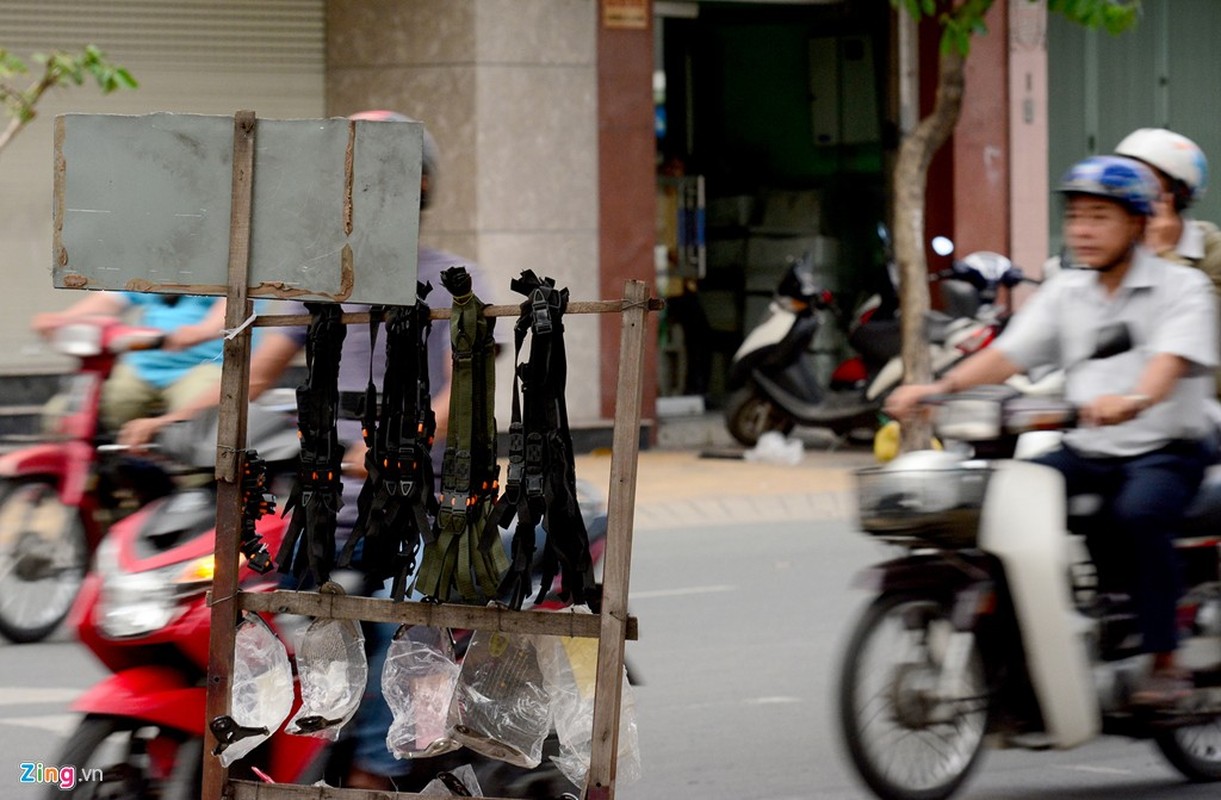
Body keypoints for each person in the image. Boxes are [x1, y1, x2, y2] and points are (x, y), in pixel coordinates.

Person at [120, 110, 489, 790]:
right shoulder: (329, 286)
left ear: (416, 187)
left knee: (385, 636)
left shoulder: (456, 282)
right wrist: (172, 418)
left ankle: (373, 781)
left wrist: (397, 445)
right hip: (328, 513)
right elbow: (254, 374)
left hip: (427, 516)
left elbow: (462, 396)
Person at [886, 155, 1218, 708]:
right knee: (1002, 501)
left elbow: (1168, 364)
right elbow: (1009, 355)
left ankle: (1166, 660)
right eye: (1075, 217)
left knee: (1138, 513)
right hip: (1091, 448)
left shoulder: (1182, 288)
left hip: (1168, 448)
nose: (1083, 231)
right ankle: (1024, 657)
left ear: (1137, 224)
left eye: (1100, 217)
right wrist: (937, 390)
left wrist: (1133, 399)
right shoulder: (1068, 291)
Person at [32, 292, 228, 434]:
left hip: (204, 365)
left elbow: (230, 306)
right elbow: (111, 297)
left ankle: (196, 486)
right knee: (65, 413)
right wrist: (64, 319)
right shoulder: (160, 265)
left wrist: (204, 330)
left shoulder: (225, 263)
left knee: (201, 420)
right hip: (142, 365)